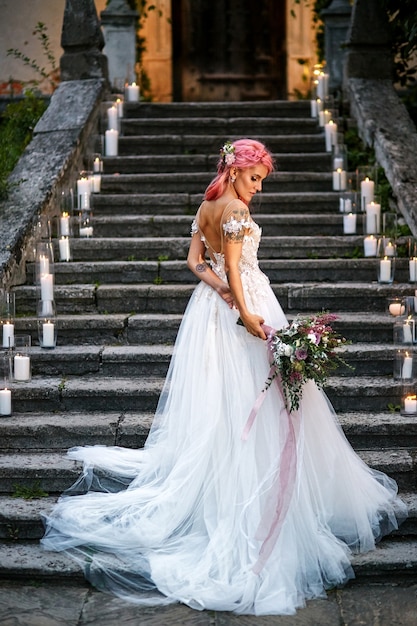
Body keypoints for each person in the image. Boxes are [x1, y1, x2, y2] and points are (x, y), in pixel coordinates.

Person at [41, 138, 407, 616]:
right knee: (263, 396)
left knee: (226, 398)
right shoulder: (232, 208)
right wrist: (247, 310)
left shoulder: (208, 203)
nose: (257, 188)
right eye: (254, 178)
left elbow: (195, 263)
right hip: (247, 307)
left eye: (261, 181)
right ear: (235, 171)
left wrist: (222, 295)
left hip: (211, 311)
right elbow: (234, 266)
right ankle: (259, 492)